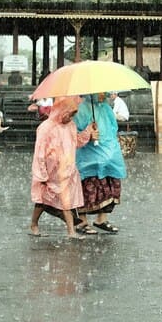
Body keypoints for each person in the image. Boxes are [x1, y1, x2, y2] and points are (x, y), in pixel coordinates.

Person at [29, 96, 98, 238]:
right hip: (50, 171)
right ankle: (34, 223)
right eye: (70, 113)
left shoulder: (71, 125)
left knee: (67, 201)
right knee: (42, 201)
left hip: (67, 170)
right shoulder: (46, 127)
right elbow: (39, 153)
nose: (71, 117)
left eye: (74, 114)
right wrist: (41, 174)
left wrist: (89, 131)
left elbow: (75, 142)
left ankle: (71, 231)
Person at [73, 93, 127, 234]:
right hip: (89, 157)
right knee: (88, 186)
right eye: (102, 92)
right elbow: (75, 132)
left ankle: (101, 219)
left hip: (108, 155)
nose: (105, 94)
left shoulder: (106, 108)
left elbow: (112, 128)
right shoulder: (81, 109)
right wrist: (88, 135)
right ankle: (82, 222)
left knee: (108, 184)